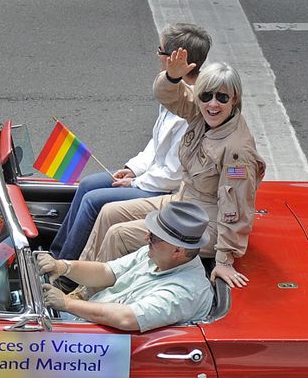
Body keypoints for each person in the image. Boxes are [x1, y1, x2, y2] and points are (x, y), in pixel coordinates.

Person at [78, 53, 266, 289]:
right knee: (108, 213)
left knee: (119, 234)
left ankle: (89, 297)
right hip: (182, 202)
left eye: (222, 97)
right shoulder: (201, 114)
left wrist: (225, 259)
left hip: (206, 223)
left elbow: (235, 208)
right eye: (206, 96)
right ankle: (79, 277)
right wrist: (172, 76)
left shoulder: (238, 151)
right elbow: (170, 95)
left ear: (234, 99)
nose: (213, 104)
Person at [48, 23, 212, 262]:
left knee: (94, 202)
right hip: (148, 175)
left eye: (161, 51)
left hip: (162, 186)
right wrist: (132, 169)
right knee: (87, 185)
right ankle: (57, 252)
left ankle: (66, 266)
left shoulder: (196, 106)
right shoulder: (175, 90)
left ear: (177, 59)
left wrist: (136, 181)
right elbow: (157, 145)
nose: (158, 56)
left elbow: (174, 172)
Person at [38, 201, 214, 333]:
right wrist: (62, 266)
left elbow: (127, 318)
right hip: (90, 324)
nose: (147, 238)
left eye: (153, 237)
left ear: (177, 250)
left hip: (102, 343)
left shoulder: (186, 291)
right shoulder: (157, 255)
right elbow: (106, 271)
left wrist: (67, 303)